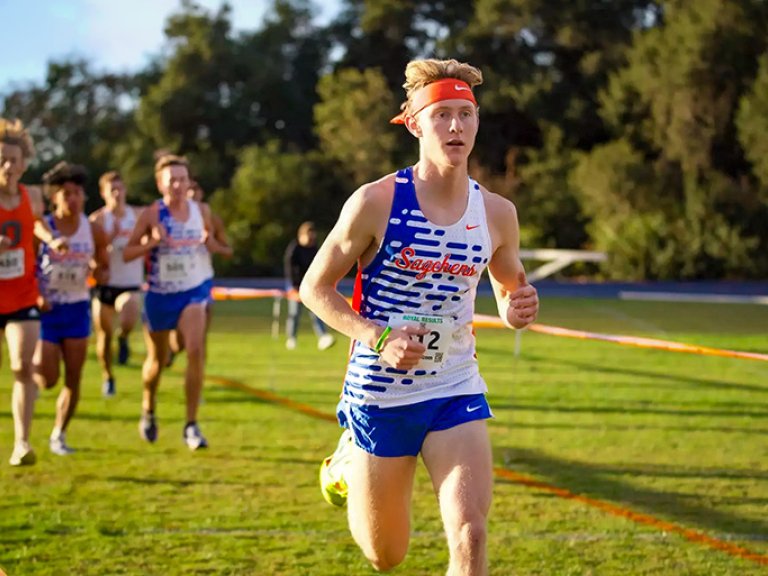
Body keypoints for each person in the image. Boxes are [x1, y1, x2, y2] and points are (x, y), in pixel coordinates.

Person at [299, 59, 539, 575]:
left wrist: (518, 308)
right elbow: (314, 288)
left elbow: (507, 288)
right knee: (387, 556)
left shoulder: (497, 212)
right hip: (381, 394)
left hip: (455, 388)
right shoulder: (376, 202)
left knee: (471, 535)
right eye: (442, 115)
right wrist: (377, 335)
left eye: (466, 114)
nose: (456, 127)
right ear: (414, 123)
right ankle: (345, 463)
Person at [123, 155, 228, 451]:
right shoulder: (151, 214)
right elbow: (128, 253)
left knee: (195, 350)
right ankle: (148, 408)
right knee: (156, 362)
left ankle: (191, 425)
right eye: (172, 180)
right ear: (160, 184)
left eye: (183, 179)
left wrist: (212, 245)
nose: (179, 185)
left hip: (192, 292)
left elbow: (216, 244)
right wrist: (150, 243)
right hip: (159, 297)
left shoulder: (201, 211)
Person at [0, 119, 68, 466]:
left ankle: (22, 443)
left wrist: (51, 239)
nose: (8, 167)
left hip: (23, 295)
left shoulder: (33, 196)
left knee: (21, 366)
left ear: (24, 162)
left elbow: (37, 224)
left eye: (13, 159)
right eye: (1, 160)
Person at [34, 161, 109, 456]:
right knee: (48, 378)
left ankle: (59, 434)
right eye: (66, 193)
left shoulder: (94, 231)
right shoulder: (44, 228)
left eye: (78, 193)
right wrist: (38, 294)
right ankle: (34, 380)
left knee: (73, 378)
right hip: (48, 310)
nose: (73, 199)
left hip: (78, 308)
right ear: (54, 197)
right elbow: (28, 265)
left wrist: (97, 270)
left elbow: (103, 270)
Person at [89, 171, 144, 397]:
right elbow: (89, 255)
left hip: (130, 282)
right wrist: (107, 242)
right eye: (112, 190)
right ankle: (108, 377)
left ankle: (124, 338)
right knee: (103, 337)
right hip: (105, 285)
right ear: (103, 194)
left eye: (120, 188)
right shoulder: (97, 221)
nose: (117, 194)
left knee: (130, 311)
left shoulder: (138, 215)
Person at [166, 179, 232, 367]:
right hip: (176, 283)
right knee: (180, 340)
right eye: (189, 193)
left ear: (202, 195)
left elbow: (228, 251)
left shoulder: (212, 218)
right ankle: (173, 349)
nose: (193, 197)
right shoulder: (172, 217)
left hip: (202, 283)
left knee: (200, 337)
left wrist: (214, 246)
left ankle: (198, 384)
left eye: (197, 192)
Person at [283, 221, 335, 351]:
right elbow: (289, 267)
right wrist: (294, 285)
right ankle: (291, 338)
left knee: (315, 311)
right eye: (309, 237)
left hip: (310, 285)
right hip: (295, 285)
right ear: (302, 235)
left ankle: (323, 337)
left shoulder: (314, 248)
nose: (311, 240)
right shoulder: (294, 248)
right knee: (294, 313)